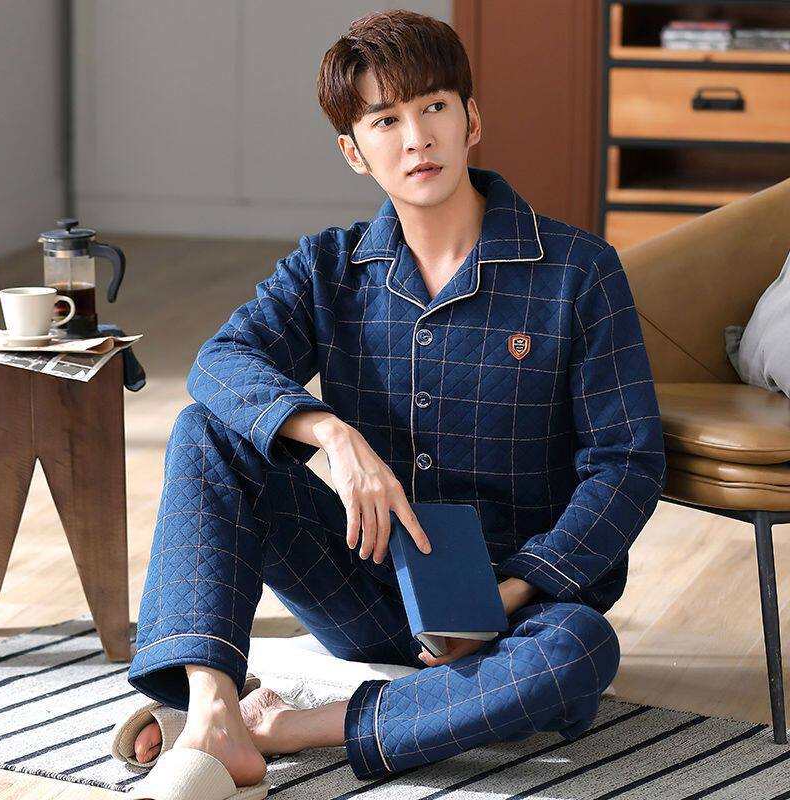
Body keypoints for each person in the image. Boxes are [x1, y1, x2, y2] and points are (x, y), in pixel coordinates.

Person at [127, 8, 667, 787]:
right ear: (354, 150)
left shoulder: (579, 271)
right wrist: (332, 436)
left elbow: (626, 463)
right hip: (364, 587)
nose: (417, 138)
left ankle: (286, 726)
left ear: (471, 119)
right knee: (204, 431)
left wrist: (513, 590)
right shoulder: (330, 266)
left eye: (434, 107)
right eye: (386, 119)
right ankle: (213, 708)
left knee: (579, 654)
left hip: (518, 607)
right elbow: (222, 362)